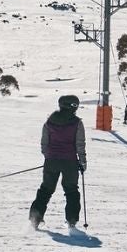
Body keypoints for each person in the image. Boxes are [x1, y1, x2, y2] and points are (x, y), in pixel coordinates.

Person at [30, 95, 86, 228]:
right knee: (71, 190)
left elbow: (44, 143)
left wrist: (49, 157)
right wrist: (82, 162)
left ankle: (35, 219)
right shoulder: (77, 123)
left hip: (52, 162)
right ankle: (71, 221)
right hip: (70, 163)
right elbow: (80, 144)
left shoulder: (49, 122)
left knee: (46, 190)